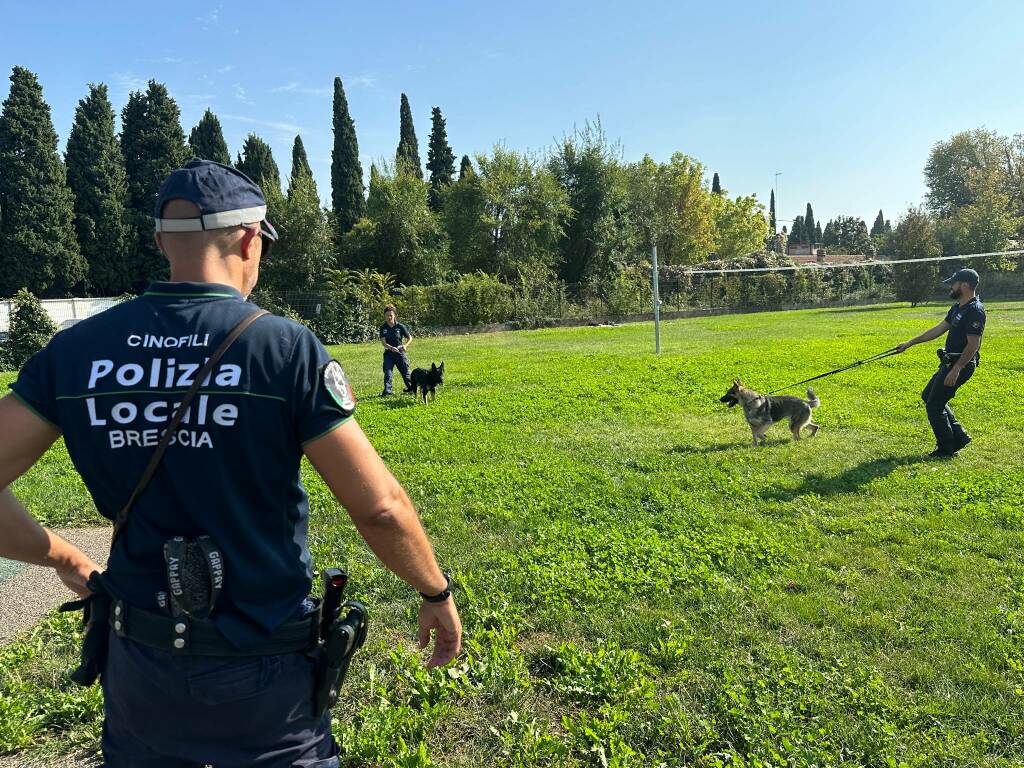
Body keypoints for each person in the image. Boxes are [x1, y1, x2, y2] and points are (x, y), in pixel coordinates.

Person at [0, 159, 461, 767]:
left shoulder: (77, 351)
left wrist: (60, 554)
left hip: (141, 661)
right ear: (251, 239)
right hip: (265, 663)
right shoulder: (284, 348)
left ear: (163, 241)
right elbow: (378, 507)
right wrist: (434, 588)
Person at [896, 267, 986, 458]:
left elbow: (973, 346)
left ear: (965, 285)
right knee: (929, 396)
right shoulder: (957, 308)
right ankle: (959, 436)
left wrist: (957, 369)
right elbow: (938, 329)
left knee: (934, 404)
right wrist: (910, 343)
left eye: (953, 283)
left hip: (961, 364)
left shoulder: (974, 311)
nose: (950, 287)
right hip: (949, 362)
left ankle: (946, 448)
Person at [379, 305, 413, 396]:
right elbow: (384, 343)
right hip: (389, 354)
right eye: (387, 315)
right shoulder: (383, 328)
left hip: (399, 353)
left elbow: (410, 337)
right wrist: (391, 348)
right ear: (384, 316)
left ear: (394, 315)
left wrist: (405, 345)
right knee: (388, 373)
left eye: (391, 315)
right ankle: (387, 391)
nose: (389, 317)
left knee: (405, 372)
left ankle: (411, 388)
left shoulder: (400, 326)